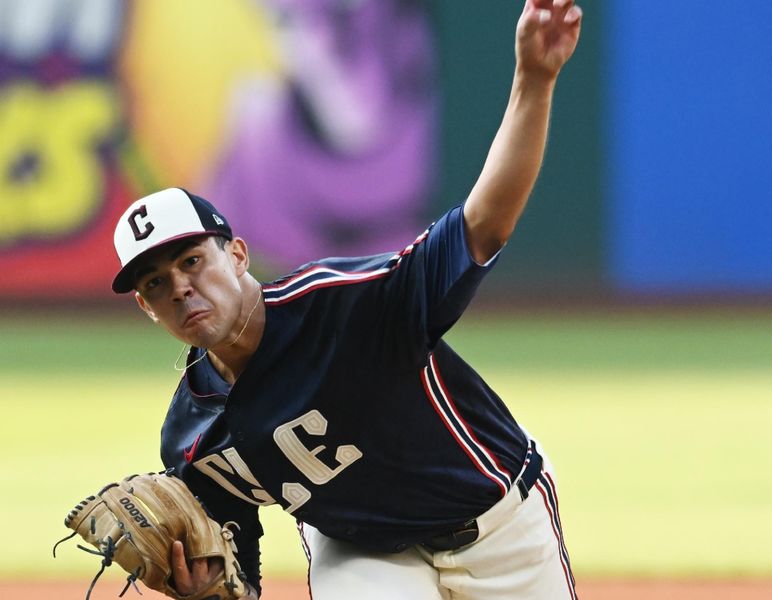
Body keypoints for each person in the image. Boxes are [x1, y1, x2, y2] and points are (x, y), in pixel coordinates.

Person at [110, 1, 582, 598]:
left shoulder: (348, 306)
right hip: (362, 553)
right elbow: (238, 577)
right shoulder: (193, 438)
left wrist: (534, 80)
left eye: (191, 260)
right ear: (147, 308)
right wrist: (208, 591)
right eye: (155, 282)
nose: (179, 286)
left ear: (237, 255)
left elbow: (483, 226)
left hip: (498, 524)